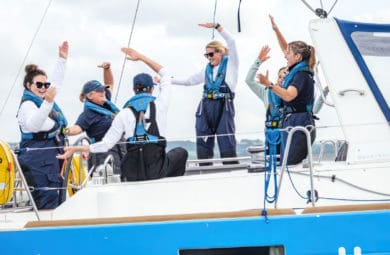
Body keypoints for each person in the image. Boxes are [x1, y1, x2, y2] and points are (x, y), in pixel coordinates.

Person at [58, 48, 188, 181]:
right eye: (99, 91)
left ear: (133, 90)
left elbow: (105, 144)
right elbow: (166, 75)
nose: (103, 92)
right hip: (154, 169)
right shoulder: (160, 104)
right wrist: (141, 57)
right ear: (152, 89)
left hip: (131, 170)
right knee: (181, 153)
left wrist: (76, 149)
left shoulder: (123, 113)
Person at [171, 22, 239, 165]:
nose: (209, 58)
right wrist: (167, 80)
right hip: (206, 106)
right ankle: (204, 169)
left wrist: (218, 26)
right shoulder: (206, 70)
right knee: (203, 137)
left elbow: (232, 42)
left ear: (220, 52)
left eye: (211, 54)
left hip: (224, 105)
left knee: (226, 138)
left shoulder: (231, 64)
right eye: (206, 55)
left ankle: (231, 170)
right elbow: (189, 80)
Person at [17, 41, 69, 209]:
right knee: (47, 201)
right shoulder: (28, 106)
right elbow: (34, 125)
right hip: (38, 159)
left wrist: (62, 60)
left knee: (58, 199)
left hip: (51, 157)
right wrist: (47, 102)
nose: (43, 88)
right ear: (28, 86)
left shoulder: (42, 100)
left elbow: (56, 85)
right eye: (38, 85)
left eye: (44, 85)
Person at [258, 40, 317, 165]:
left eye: (288, 53)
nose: (285, 55)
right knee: (286, 163)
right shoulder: (297, 72)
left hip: (300, 121)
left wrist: (269, 84)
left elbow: (289, 95)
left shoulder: (301, 75)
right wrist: (275, 29)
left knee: (290, 164)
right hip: (292, 120)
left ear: (297, 57)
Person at [65, 62, 125, 175]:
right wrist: (64, 131)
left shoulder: (105, 100)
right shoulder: (88, 114)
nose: (103, 92)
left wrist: (107, 69)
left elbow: (109, 83)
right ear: (90, 95)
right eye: (99, 91)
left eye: (103, 90)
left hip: (120, 150)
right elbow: (77, 128)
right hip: (102, 156)